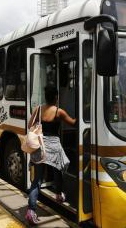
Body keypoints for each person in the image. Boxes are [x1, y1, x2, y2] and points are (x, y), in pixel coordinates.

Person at [25, 85, 76, 225]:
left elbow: (30, 126)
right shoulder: (59, 112)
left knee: (37, 180)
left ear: (46, 96)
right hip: (53, 146)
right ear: (56, 97)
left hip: (40, 147)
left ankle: (31, 210)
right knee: (58, 170)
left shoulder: (38, 109)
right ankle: (59, 195)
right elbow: (73, 123)